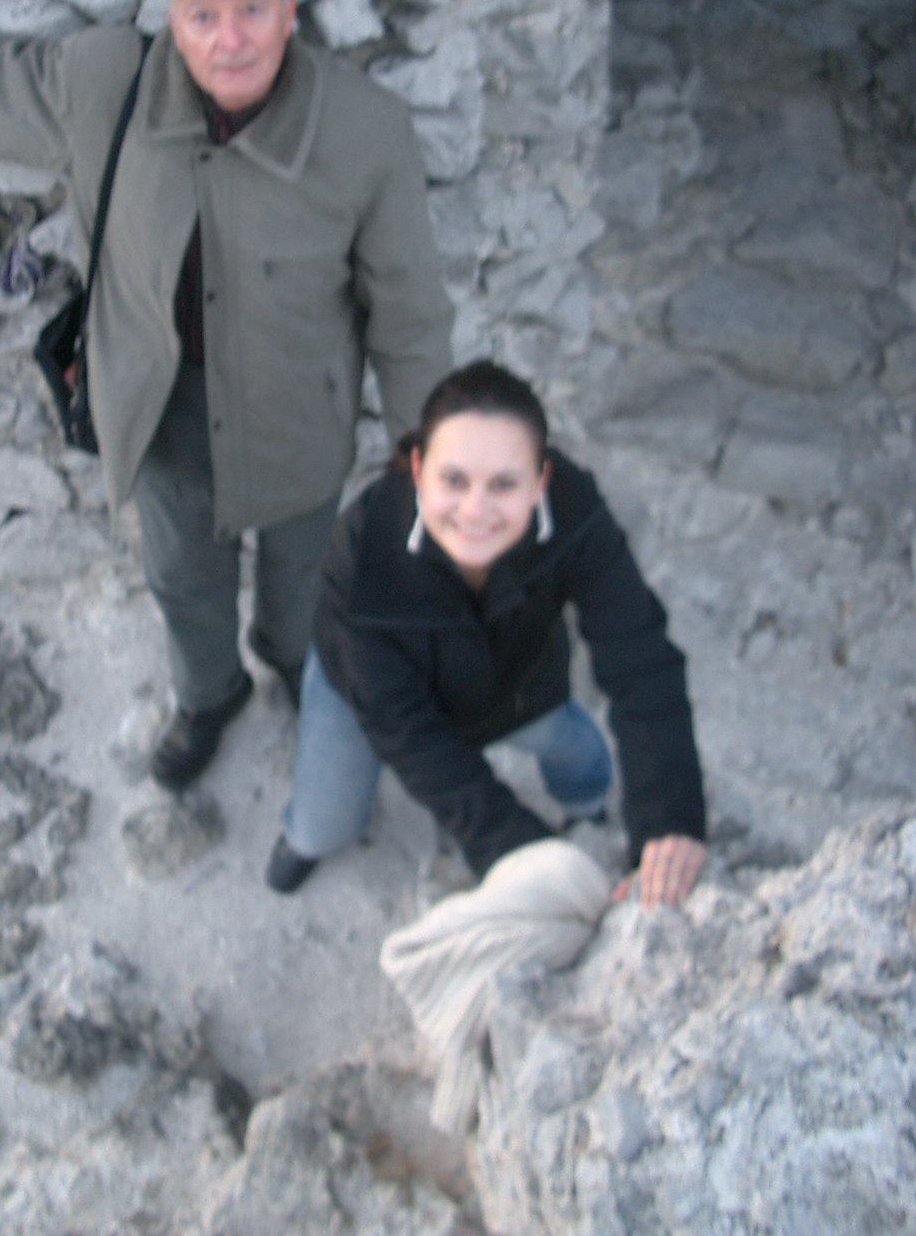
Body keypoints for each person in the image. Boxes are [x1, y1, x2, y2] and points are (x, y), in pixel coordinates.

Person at [0, 0, 453, 791]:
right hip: (164, 406)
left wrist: (432, 453)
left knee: (303, 570)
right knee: (183, 577)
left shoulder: (366, 128)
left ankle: (296, 662)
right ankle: (210, 694)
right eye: (203, 15)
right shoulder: (104, 84)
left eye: (252, 10)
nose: (230, 39)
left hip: (302, 408)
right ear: (172, 22)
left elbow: (408, 312)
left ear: (289, 12)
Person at [266, 360, 707, 908]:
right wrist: (523, 854)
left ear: (541, 480)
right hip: (367, 692)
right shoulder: (364, 553)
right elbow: (408, 731)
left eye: (504, 483)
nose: (476, 511)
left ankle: (587, 807)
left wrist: (669, 819)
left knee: (577, 750)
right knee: (323, 825)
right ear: (418, 470)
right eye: (454, 480)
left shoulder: (574, 513)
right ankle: (305, 838)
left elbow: (641, 659)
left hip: (510, 676)